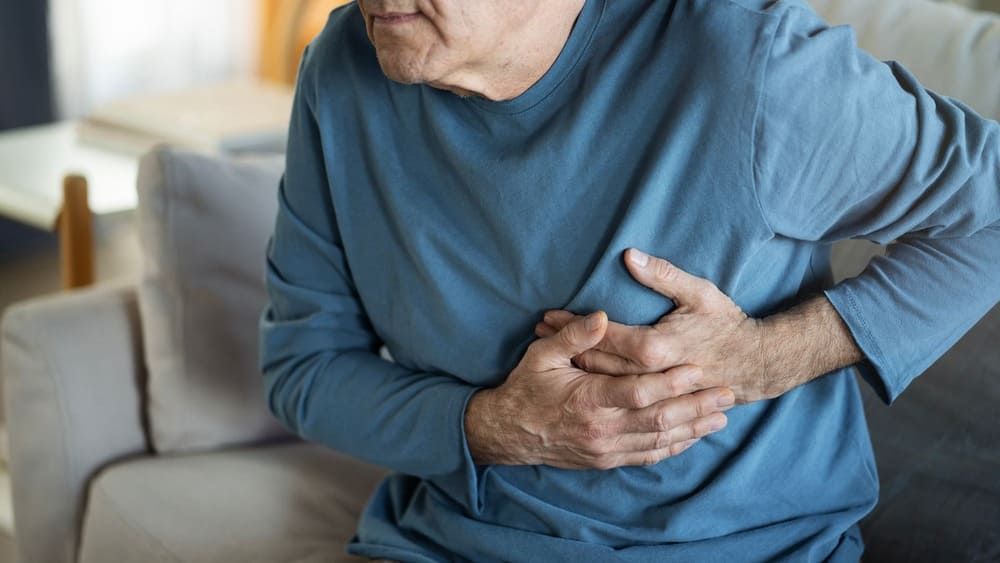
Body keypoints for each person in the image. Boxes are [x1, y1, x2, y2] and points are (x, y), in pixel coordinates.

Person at [258, 0, 1000, 560]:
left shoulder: (745, 62)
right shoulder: (343, 70)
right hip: (446, 542)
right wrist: (491, 426)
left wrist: (773, 354)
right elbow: (304, 366)